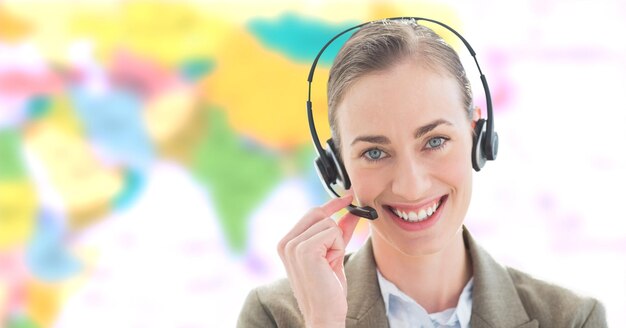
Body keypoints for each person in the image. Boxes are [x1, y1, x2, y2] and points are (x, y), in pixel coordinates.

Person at [237, 18, 607, 328]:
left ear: (477, 137)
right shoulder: (275, 316)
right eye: (375, 152)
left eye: (434, 141)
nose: (411, 186)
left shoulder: (571, 318)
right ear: (337, 168)